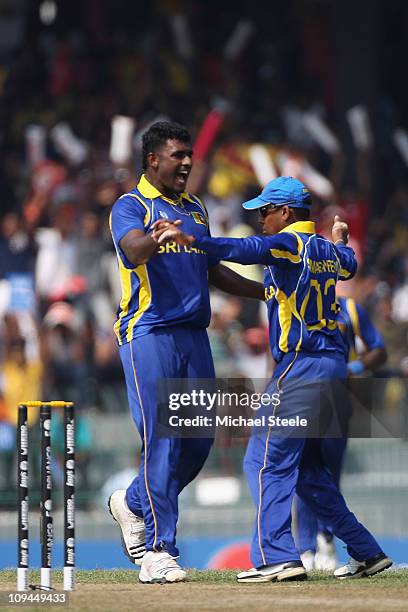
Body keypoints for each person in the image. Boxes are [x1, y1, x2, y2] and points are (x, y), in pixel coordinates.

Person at [154, 175, 392, 582]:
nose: (261, 220)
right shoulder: (328, 252)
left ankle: (276, 555)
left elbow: (244, 249)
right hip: (332, 369)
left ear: (284, 213)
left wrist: (193, 239)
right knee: (307, 473)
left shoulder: (290, 244)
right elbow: (349, 264)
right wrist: (341, 237)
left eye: (264, 212)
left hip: (300, 366)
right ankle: (367, 552)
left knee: (263, 460)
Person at [108, 121, 263, 584]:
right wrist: (156, 237)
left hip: (195, 338)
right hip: (149, 333)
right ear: (153, 159)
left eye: (190, 154)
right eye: (178, 155)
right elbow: (131, 251)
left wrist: (264, 293)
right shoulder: (130, 205)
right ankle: (158, 550)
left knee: (196, 445)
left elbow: (213, 269)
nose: (188, 162)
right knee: (163, 439)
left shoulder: (195, 208)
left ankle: (132, 503)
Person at [296, 296, 387, 571]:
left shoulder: (348, 308)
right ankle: (305, 548)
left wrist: (352, 368)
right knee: (301, 473)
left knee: (328, 474)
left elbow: (379, 350)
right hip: (299, 398)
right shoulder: (291, 299)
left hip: (336, 401)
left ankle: (326, 540)